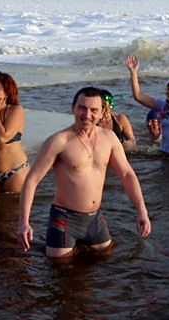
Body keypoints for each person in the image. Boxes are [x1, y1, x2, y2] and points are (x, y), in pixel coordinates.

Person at [17, 87, 151, 258]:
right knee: (61, 271)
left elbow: (127, 175)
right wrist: (24, 223)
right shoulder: (59, 141)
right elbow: (31, 181)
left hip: (94, 219)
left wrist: (142, 211)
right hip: (64, 219)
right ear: (73, 107)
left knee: (106, 260)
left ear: (102, 112)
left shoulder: (109, 138)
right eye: (82, 108)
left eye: (93, 110)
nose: (87, 115)